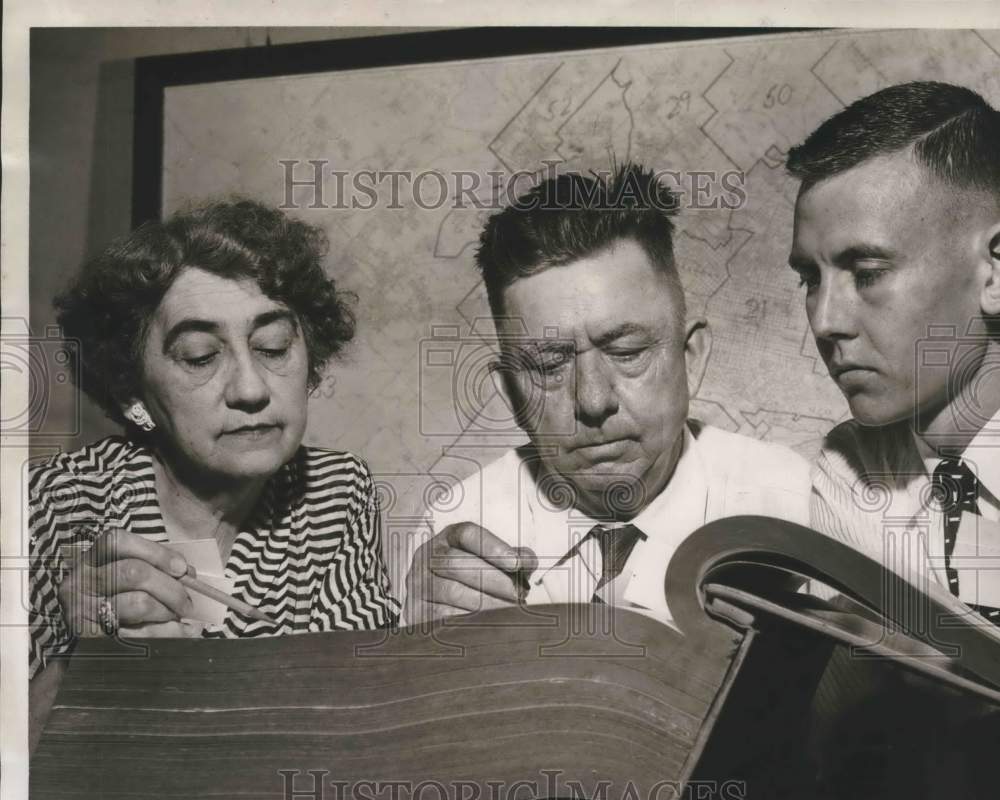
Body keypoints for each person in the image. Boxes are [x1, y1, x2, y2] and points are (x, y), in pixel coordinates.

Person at [403, 163, 811, 625]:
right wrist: (419, 657)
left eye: (627, 351)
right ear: (512, 396)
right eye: (550, 366)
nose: (594, 401)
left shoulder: (793, 504)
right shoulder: (460, 530)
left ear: (691, 358)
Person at [30, 199, 400, 682]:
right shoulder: (51, 506)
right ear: (130, 390)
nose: (251, 389)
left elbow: (355, 706)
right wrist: (81, 662)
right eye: (200, 356)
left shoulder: (335, 493)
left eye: (273, 347)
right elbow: (14, 748)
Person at [787, 81, 1000, 612]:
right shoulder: (850, 470)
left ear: (994, 272)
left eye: (868, 272)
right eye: (810, 279)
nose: (824, 320)